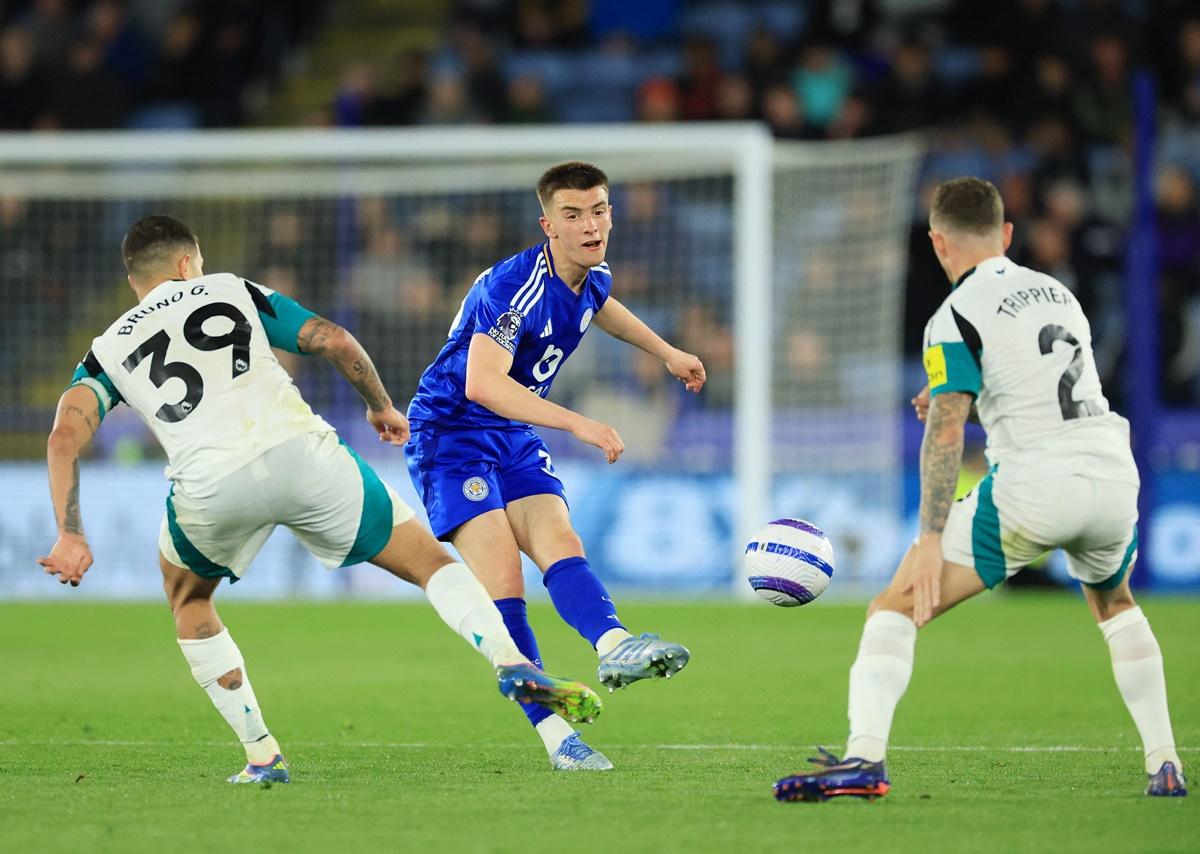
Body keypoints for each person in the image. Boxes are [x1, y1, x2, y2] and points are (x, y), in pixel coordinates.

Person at [38, 215, 602, 785]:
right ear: (188, 266)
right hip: (302, 454)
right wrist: (380, 405)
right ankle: (511, 661)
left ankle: (262, 756)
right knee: (430, 564)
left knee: (188, 599)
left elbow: (64, 438)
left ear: (135, 278)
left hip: (211, 485)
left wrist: (71, 532)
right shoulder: (231, 289)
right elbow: (333, 339)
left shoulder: (108, 348)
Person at [774, 177, 1187, 802]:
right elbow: (1036, 383)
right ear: (1008, 235)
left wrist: (930, 537)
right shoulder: (1059, 293)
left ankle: (864, 758)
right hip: (1110, 474)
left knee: (894, 606)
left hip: (1035, 486)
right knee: (1116, 606)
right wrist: (949, 397)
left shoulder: (953, 314)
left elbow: (944, 434)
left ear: (938, 243)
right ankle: (1166, 762)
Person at [405, 161, 706, 771]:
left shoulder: (590, 276)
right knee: (504, 584)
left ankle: (615, 643)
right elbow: (483, 383)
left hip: (511, 432)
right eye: (573, 215)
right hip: (453, 434)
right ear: (548, 225)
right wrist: (578, 423)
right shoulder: (512, 291)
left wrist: (669, 352)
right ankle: (556, 736)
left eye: (598, 211)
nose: (589, 225)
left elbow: (604, 305)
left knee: (560, 539)